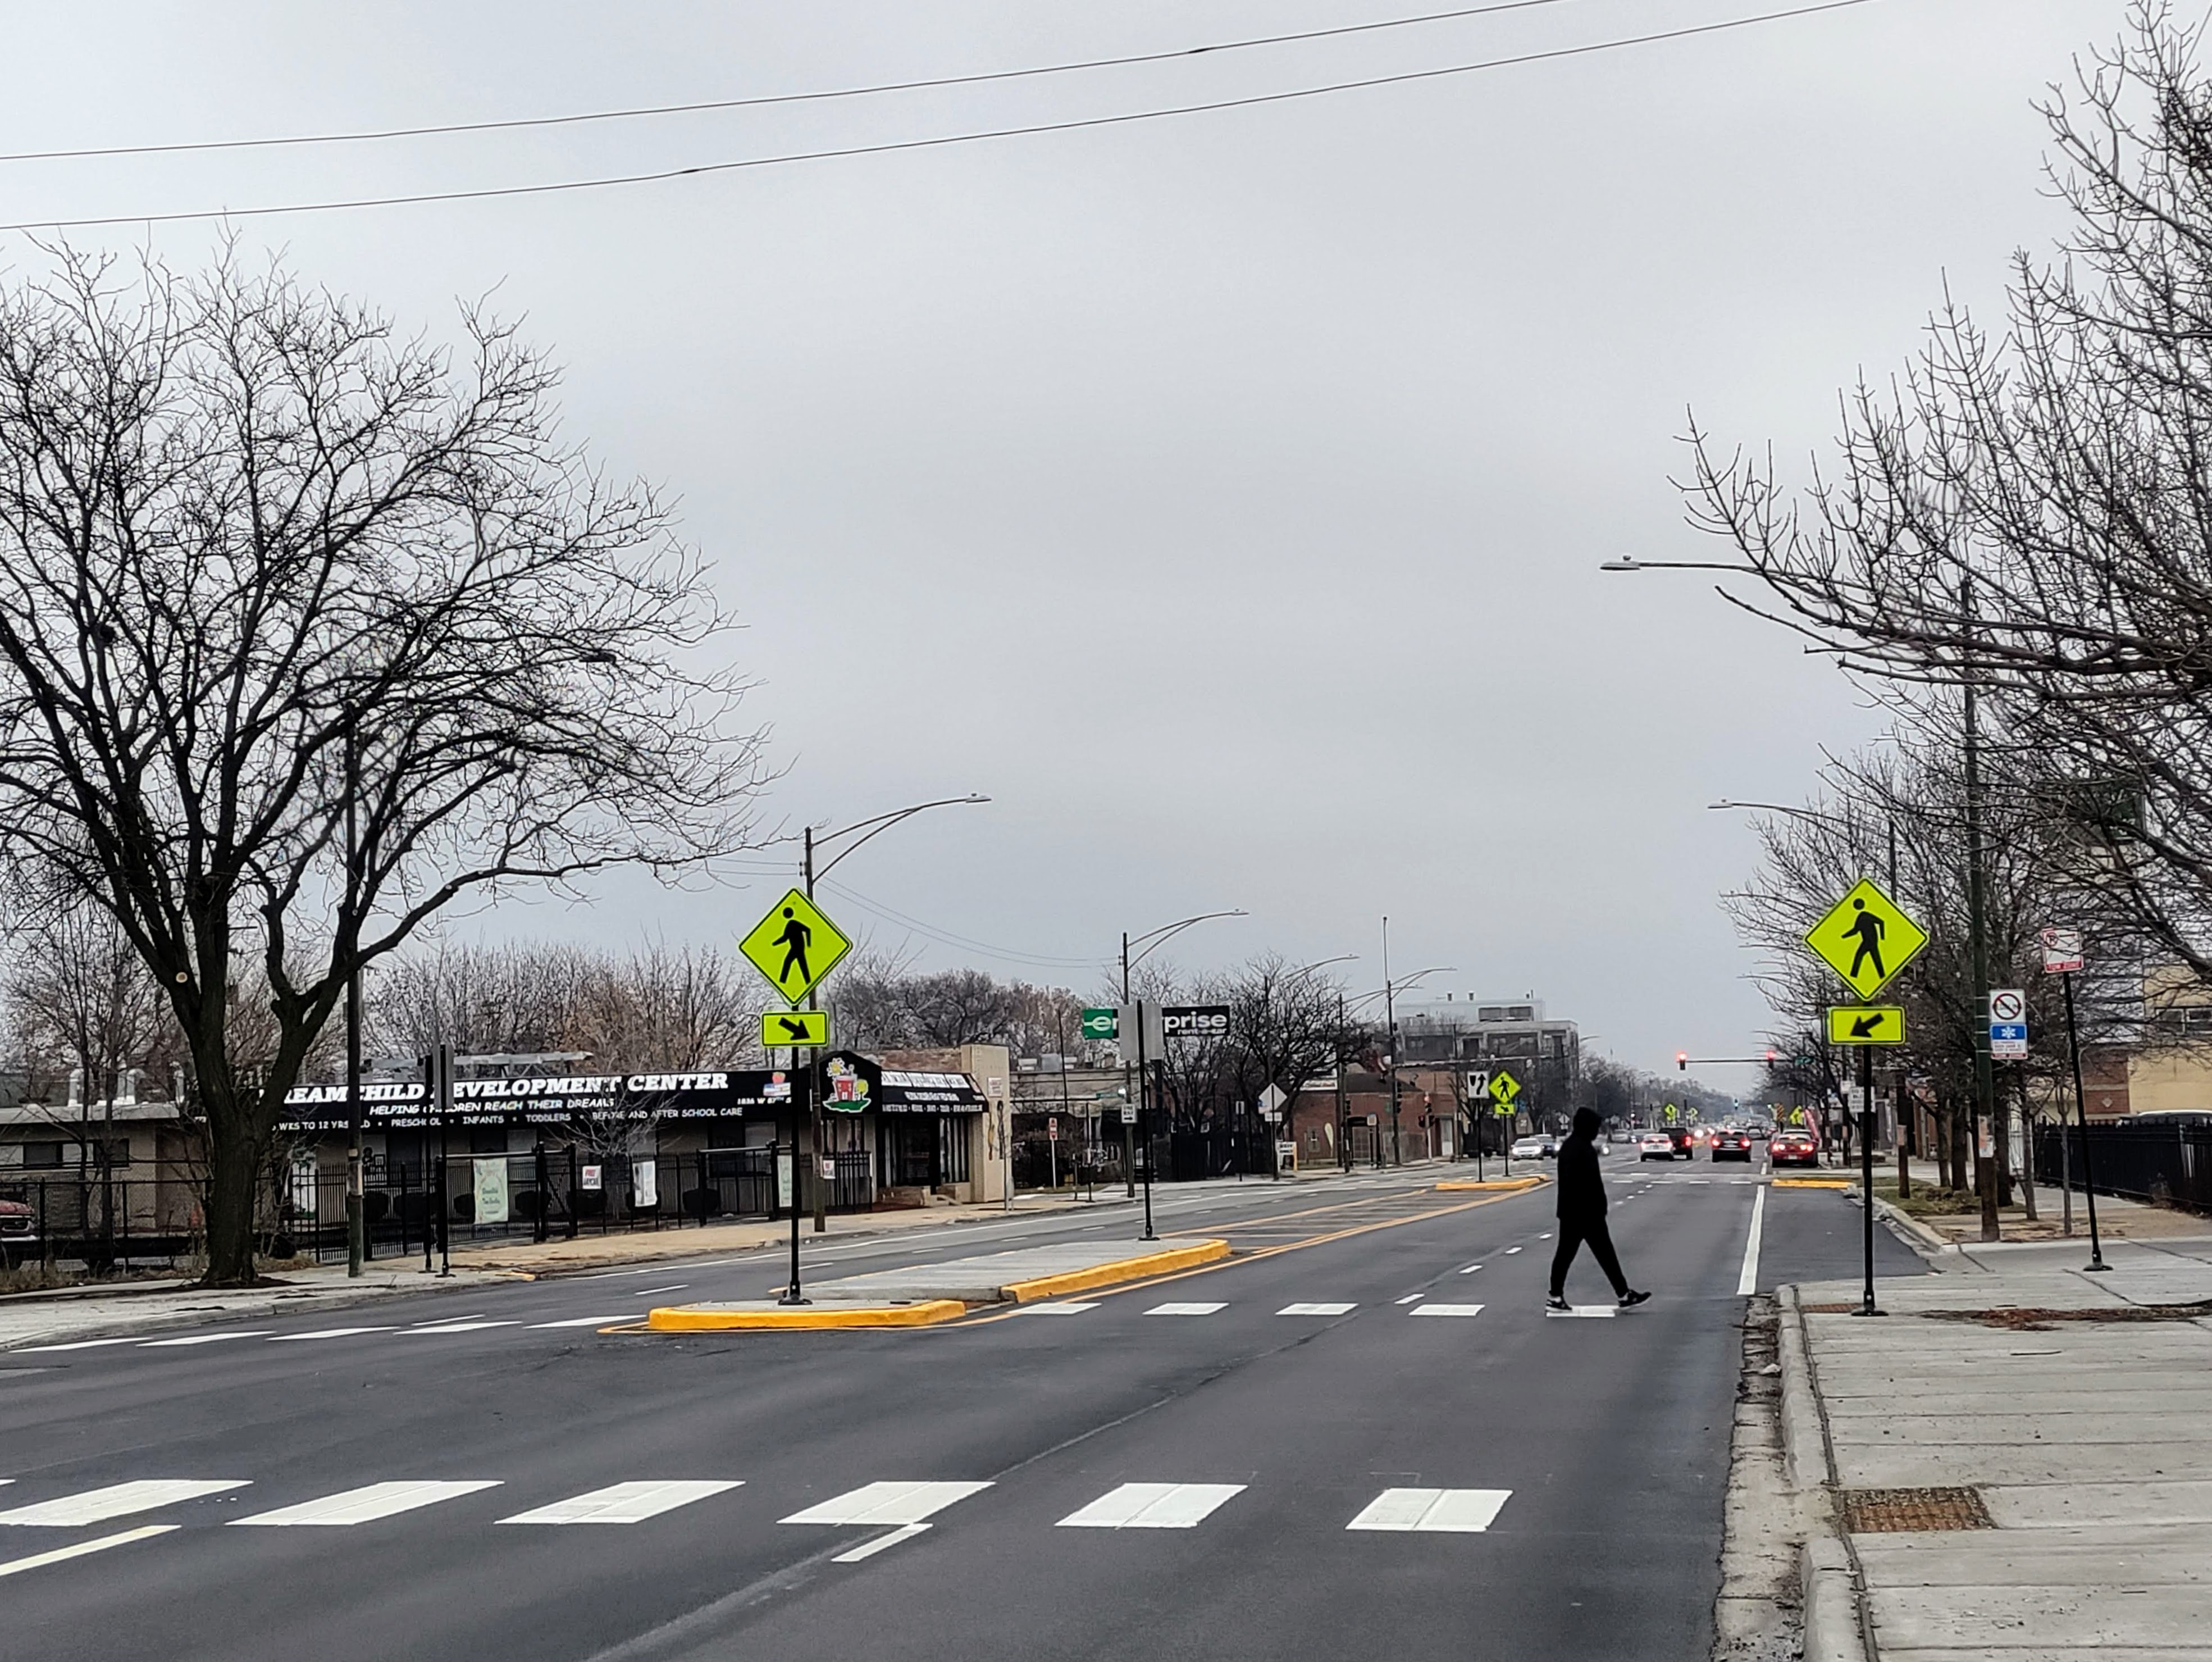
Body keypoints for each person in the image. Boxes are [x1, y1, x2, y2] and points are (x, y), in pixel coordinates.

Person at [1548, 1107, 1650, 1312]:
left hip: (1573, 1212)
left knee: (1569, 1255)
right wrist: (1598, 1207)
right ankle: (1622, 1295)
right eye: (1595, 1127)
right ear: (1587, 1127)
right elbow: (1587, 1184)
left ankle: (1556, 1297)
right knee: (1602, 1255)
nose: (1597, 1131)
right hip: (1585, 1213)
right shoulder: (1581, 1149)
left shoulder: (1573, 1146)